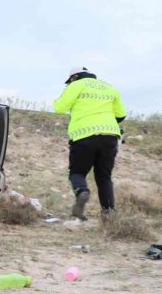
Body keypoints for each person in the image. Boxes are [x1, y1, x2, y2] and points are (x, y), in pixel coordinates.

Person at [54, 67, 127, 220]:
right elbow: (121, 115)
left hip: (84, 135)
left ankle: (82, 192)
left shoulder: (76, 85)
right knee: (104, 177)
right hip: (110, 136)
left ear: (74, 77)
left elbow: (59, 107)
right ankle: (109, 213)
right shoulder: (110, 88)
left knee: (77, 173)